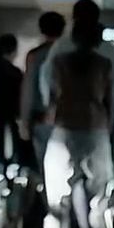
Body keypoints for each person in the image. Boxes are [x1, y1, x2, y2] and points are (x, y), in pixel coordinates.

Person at [43, 19, 114, 228]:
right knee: (101, 196)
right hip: (96, 129)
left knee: (57, 196)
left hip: (64, 129)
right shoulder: (104, 65)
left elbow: (51, 98)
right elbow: (110, 101)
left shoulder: (59, 63)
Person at [39, 0, 114, 110]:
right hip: (97, 114)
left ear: (74, 18)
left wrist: (51, 105)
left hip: (65, 111)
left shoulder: (61, 46)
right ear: (97, 18)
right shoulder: (109, 50)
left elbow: (47, 78)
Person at [19, 11, 66, 171]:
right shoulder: (69, 53)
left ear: (41, 30)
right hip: (69, 117)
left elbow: (28, 90)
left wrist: (24, 122)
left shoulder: (35, 56)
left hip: (41, 118)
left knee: (45, 166)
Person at [0, 34, 29, 168]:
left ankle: (0, 166)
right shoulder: (15, 72)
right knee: (14, 142)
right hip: (12, 112)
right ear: (14, 51)